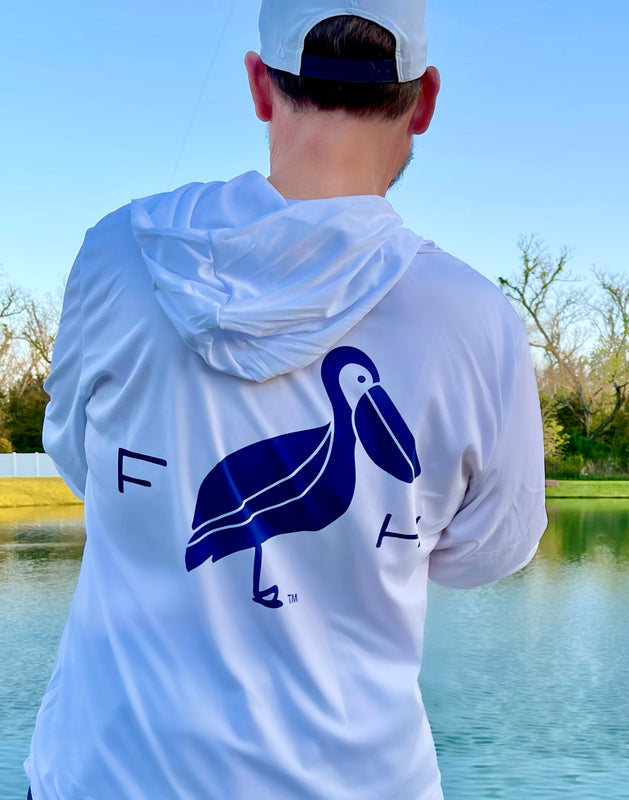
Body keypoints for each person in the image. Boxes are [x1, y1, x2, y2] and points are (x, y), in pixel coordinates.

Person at [25, 1, 547, 797]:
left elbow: (79, 459)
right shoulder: (475, 320)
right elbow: (487, 553)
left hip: (103, 776)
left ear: (260, 86)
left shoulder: (120, 256)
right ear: (426, 100)